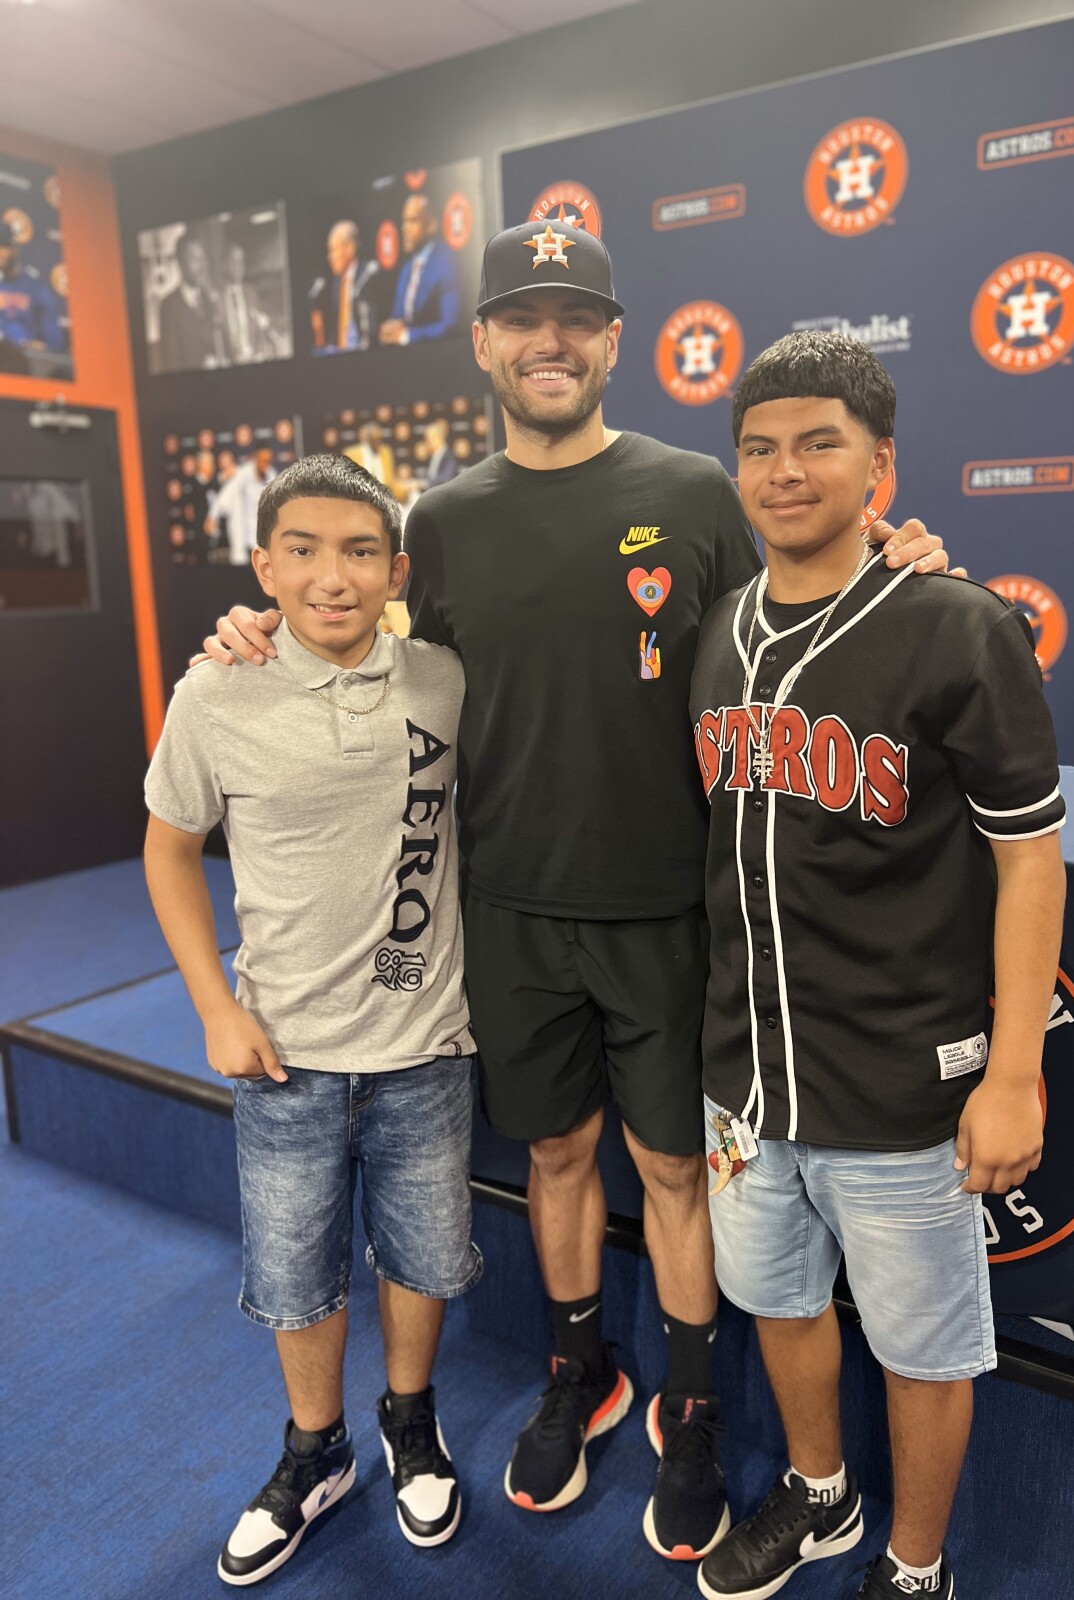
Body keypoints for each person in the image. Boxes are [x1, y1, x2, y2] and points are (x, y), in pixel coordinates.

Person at [198, 221, 951, 1563]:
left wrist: (902, 563)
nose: (549, 340)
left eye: (576, 318)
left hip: (671, 909)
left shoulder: (698, 492)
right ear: (484, 340)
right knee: (555, 1156)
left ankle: (697, 1408)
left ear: (613, 339)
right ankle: (578, 1374)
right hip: (512, 911)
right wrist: (247, 630)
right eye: (522, 317)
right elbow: (351, 626)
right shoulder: (437, 521)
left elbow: (803, 599)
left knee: (671, 1167)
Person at [690, 332, 1066, 1600]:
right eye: (759, 447)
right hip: (747, 1079)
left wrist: (1014, 1070)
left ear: (881, 464)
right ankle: (820, 1493)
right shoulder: (718, 629)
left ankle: (914, 1566)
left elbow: (1030, 861)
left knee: (921, 1347)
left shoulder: (958, 624)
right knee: (780, 1303)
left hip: (906, 1082)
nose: (784, 471)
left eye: (817, 443)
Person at [144, 455, 480, 1586]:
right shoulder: (215, 691)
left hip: (428, 1046)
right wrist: (212, 1008)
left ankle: (411, 1419)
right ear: (263, 563)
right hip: (283, 1055)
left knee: (425, 1257)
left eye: (357, 552)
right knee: (297, 1275)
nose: (330, 578)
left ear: (396, 569)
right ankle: (315, 1451)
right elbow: (168, 849)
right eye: (302, 550)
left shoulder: (443, 677)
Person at [380, 194, 460, 345]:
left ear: (431, 225)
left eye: (412, 221)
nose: (404, 228)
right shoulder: (406, 269)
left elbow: (451, 325)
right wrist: (390, 328)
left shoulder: (447, 263)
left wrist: (407, 336)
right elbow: (398, 315)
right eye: (404, 220)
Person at [0, 218, 67, 373]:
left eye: (4, 246)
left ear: (15, 249)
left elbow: (55, 340)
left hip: (26, 365)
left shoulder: (35, 287)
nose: (1, 252)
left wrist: (43, 347)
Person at [157, 230, 222, 372]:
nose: (202, 265)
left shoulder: (210, 299)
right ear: (180, 263)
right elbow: (170, 364)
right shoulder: (169, 306)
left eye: (203, 258)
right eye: (194, 259)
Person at [310, 221, 378, 352]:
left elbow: (370, 331)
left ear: (350, 248)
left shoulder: (368, 276)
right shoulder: (337, 284)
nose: (329, 257)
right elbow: (337, 332)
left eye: (333, 250)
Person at [206, 446, 277, 565]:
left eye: (267, 460)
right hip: (244, 541)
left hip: (264, 543)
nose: (264, 464)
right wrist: (212, 516)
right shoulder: (242, 475)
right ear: (255, 459)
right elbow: (224, 496)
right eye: (262, 460)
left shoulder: (272, 477)